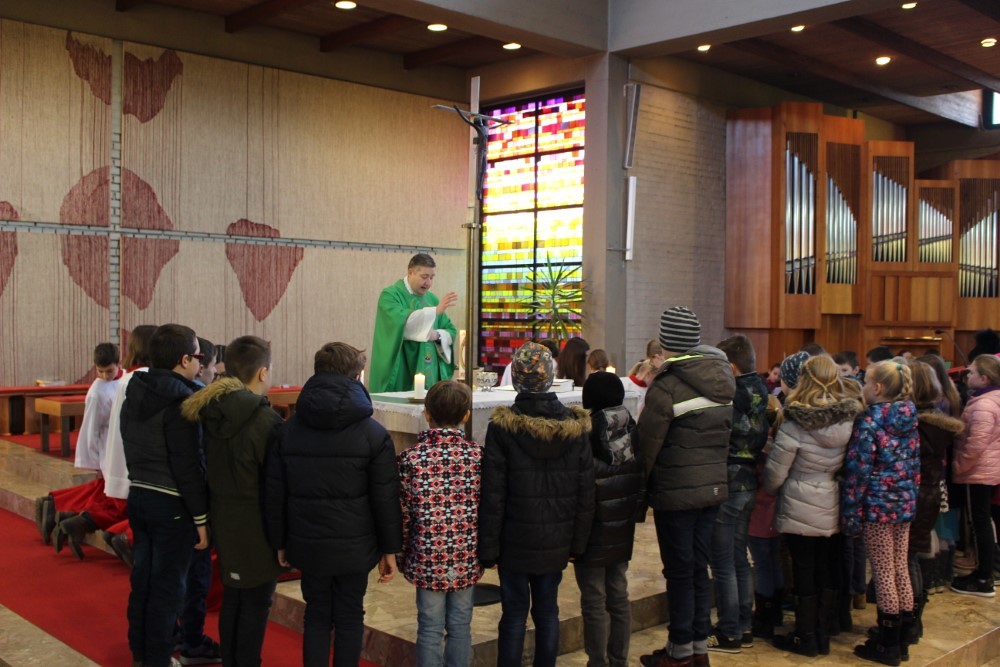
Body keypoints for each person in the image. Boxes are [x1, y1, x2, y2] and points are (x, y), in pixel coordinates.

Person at [265, 342, 401, 667]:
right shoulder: (373, 434)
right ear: (356, 377)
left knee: (316, 615)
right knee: (350, 615)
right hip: (355, 545)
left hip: (307, 541)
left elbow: (275, 491)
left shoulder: (288, 430)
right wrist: (390, 549)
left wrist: (280, 541)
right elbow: (385, 497)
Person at [478, 341, 595, 667]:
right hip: (556, 538)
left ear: (516, 380)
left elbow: (494, 494)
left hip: (514, 541)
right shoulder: (575, 427)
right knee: (547, 612)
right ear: (550, 379)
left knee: (514, 614)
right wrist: (578, 543)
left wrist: (488, 549)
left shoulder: (502, 427)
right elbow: (586, 492)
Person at [636, 306, 735, 667]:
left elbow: (646, 446)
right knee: (697, 569)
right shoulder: (721, 378)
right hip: (712, 489)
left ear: (666, 342)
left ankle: (679, 653)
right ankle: (698, 649)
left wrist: (639, 495)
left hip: (676, 493)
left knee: (679, 572)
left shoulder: (668, 385)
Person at [181, 335, 283, 667]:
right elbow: (275, 484)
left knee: (234, 596)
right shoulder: (267, 420)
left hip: (223, 517)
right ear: (263, 372)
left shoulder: (209, 410)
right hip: (256, 523)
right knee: (256, 602)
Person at [121, 324, 210, 667]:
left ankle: (142, 655)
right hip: (172, 502)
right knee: (167, 589)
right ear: (184, 359)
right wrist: (201, 518)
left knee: (143, 582)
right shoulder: (182, 401)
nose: (200, 363)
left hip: (139, 494)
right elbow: (188, 465)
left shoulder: (135, 390)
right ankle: (157, 659)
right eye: (198, 356)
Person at [764, 354, 863, 657]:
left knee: (804, 568)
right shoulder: (848, 417)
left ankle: (805, 636)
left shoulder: (795, 418)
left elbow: (776, 472)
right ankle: (822, 634)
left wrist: (771, 487)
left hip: (800, 498)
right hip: (832, 496)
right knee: (826, 567)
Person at [397, 380, 482, 667]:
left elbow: (403, 515)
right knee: (460, 626)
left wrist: (403, 555)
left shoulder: (410, 458)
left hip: (427, 555)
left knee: (430, 628)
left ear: (427, 413)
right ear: (466, 416)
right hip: (465, 555)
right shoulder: (478, 456)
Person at [842, 360, 920, 665]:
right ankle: (904, 634)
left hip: (877, 506)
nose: (862, 388)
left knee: (884, 571)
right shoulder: (909, 416)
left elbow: (858, 471)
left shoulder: (870, 421)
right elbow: (915, 464)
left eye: (865, 383)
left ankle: (888, 643)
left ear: (877, 387)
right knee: (899, 567)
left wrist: (851, 510)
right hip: (904, 502)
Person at [574, 371, 642, 667]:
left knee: (593, 598)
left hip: (592, 528)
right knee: (618, 593)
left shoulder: (586, 434)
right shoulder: (632, 427)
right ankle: (619, 660)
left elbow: (580, 484)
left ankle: (597, 662)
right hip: (622, 525)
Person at [709, 335, 770, 652]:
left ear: (731, 367)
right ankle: (744, 626)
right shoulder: (761, 389)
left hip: (729, 481)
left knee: (722, 562)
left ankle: (729, 631)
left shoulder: (729, 394)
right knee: (738, 558)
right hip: (749, 482)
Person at [38, 342, 124, 558]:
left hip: (123, 447)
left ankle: (58, 506)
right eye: (100, 371)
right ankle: (65, 511)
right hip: (108, 449)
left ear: (119, 363)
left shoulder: (127, 381)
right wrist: (95, 461)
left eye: (109, 371)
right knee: (113, 497)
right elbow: (90, 429)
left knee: (106, 494)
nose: (104, 376)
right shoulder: (96, 391)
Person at [903, 361, 962, 649]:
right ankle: (914, 618)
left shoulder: (918, 425)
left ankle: (910, 621)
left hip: (915, 494)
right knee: (914, 555)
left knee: (908, 559)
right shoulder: (936, 421)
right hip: (929, 493)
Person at [949, 353, 1000, 598]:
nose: (967, 375)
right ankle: (983, 573)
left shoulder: (984, 405)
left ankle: (983, 578)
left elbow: (976, 443)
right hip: (985, 468)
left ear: (984, 378)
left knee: (979, 523)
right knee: (982, 521)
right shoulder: (989, 399)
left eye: (971, 372)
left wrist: (958, 465)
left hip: (977, 470)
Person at [370, 253, 458, 393]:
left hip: (429, 369)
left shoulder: (432, 299)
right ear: (410, 272)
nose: (428, 283)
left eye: (432, 277)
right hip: (402, 369)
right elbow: (402, 323)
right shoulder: (390, 295)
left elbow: (450, 330)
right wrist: (434, 311)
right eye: (424, 277)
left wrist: (437, 335)